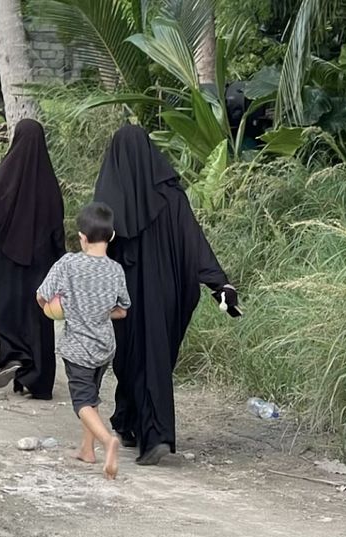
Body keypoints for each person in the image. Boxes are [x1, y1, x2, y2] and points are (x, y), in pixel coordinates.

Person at [94, 125, 239, 466]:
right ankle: (132, 424)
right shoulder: (172, 197)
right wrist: (219, 284)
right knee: (155, 359)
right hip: (168, 295)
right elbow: (194, 243)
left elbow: (95, 250)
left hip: (125, 297)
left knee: (131, 359)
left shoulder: (108, 201)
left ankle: (153, 434)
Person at [36, 202, 130, 480]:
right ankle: (87, 450)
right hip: (104, 345)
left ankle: (107, 441)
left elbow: (42, 295)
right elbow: (123, 310)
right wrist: (100, 312)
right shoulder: (115, 270)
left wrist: (56, 309)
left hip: (78, 347)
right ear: (111, 236)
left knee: (82, 402)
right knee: (92, 395)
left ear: (82, 237)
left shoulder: (69, 263)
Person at [0, 119, 66, 399]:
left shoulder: (4, 176)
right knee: (38, 320)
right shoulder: (49, 184)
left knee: (7, 310)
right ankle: (37, 381)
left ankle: (14, 355)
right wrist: (62, 266)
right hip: (42, 263)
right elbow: (57, 231)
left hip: (5, 260)